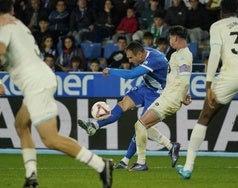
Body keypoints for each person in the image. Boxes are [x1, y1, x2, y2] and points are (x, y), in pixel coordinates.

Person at [0, 1, 113, 188]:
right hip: (38, 79)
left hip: (36, 83)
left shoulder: (4, 27)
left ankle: (101, 165)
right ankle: (31, 176)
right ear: (12, 9)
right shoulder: (16, 24)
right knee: (21, 124)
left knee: (50, 139)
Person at [177, 0, 238, 179]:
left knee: (204, 118)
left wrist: (208, 83)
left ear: (221, 11)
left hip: (229, 78)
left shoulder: (218, 26)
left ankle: (187, 167)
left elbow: (216, 54)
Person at [78, 41, 181, 171]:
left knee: (141, 126)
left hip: (157, 94)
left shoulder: (155, 59)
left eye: (131, 58)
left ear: (139, 54)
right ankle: (94, 126)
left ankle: (132, 159)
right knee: (122, 105)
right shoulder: (144, 51)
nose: (130, 60)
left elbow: (130, 75)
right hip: (146, 87)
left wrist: (110, 70)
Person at [132, 25, 192, 170]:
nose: (170, 41)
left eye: (171, 38)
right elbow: (177, 78)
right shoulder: (175, 55)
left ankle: (141, 163)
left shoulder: (184, 55)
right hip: (166, 95)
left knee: (140, 125)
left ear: (175, 38)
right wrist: (186, 94)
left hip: (171, 99)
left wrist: (182, 95)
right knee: (142, 126)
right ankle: (172, 146)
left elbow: (184, 80)